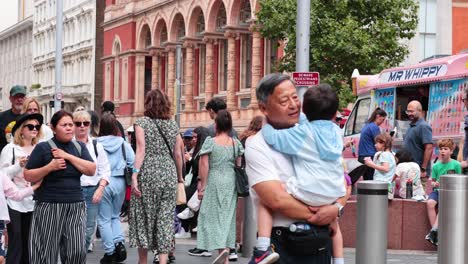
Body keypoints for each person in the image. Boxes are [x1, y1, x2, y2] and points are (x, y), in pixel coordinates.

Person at [245, 73, 348, 264]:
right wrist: (324, 215)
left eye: (295, 97)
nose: (293, 105)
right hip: (282, 246)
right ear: (263, 108)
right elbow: (276, 199)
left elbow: (341, 180)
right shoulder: (257, 144)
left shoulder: (317, 131)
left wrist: (337, 208)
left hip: (319, 243)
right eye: (284, 101)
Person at [24, 110, 96, 263]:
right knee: (45, 253)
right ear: (54, 128)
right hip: (49, 206)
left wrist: (68, 156)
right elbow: (28, 175)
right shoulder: (43, 148)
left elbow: (91, 169)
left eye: (71, 125)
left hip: (75, 204)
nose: (69, 128)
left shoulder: (79, 147)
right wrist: (49, 167)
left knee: (76, 251)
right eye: (64, 125)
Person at [129, 89, 184, 264]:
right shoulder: (172, 125)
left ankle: (143, 261)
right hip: (168, 173)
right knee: (165, 219)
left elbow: (141, 149)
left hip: (148, 172)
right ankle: (163, 261)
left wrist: (135, 175)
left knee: (144, 217)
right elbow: (177, 154)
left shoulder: (141, 123)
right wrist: (180, 177)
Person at [195, 109, 243, 264]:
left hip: (215, 179)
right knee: (227, 217)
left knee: (212, 217)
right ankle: (226, 252)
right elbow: (238, 164)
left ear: (217, 124)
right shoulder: (236, 143)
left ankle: (222, 251)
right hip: (230, 181)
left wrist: (202, 185)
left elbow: (204, 164)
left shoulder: (210, 141)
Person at [0, 113, 43, 264]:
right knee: (16, 239)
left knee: (29, 241)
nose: (34, 129)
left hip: (33, 199)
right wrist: (19, 165)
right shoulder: (10, 149)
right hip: (13, 200)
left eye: (37, 127)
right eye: (30, 126)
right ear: (21, 130)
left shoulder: (40, 148)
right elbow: (2, 175)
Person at [97, 114, 134, 263]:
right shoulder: (123, 143)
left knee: (104, 219)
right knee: (115, 216)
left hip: (103, 182)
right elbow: (132, 162)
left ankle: (110, 251)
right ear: (115, 127)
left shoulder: (96, 143)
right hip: (120, 182)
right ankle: (119, 242)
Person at [73, 111, 111, 252]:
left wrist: (100, 188)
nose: (82, 126)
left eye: (86, 123)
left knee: (89, 228)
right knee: (73, 226)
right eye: (78, 123)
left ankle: (81, 251)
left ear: (89, 125)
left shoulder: (96, 145)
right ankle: (75, 254)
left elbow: (105, 170)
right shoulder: (67, 145)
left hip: (92, 190)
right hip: (73, 190)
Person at [425, 138, 461, 246]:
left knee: (444, 205)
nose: (443, 151)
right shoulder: (436, 165)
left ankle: (433, 233)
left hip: (450, 192)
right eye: (441, 149)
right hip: (437, 191)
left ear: (451, 151)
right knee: (430, 203)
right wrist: (434, 184)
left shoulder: (456, 165)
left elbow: (459, 180)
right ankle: (435, 231)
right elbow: (433, 181)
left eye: (445, 149)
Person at [0, 172, 41, 264]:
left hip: (1, 220)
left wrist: (35, 187)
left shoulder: (1, 175)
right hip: (11, 209)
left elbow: (16, 194)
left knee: (1, 258)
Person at [351, 108, 387, 182]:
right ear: (378, 116)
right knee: (371, 180)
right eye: (382, 120)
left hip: (362, 156)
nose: (382, 122)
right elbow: (379, 142)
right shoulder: (374, 127)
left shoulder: (367, 125)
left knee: (366, 180)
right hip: (370, 156)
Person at [404, 100, 433, 183]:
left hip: (419, 172)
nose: (409, 114)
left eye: (411, 111)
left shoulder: (423, 126)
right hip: (410, 170)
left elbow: (429, 148)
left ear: (420, 111)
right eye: (408, 111)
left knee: (418, 195)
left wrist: (423, 169)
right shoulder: (411, 126)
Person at [364, 133, 397, 199]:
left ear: (383, 143)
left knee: (378, 205)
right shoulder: (392, 154)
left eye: (377, 143)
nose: (375, 145)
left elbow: (386, 168)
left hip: (381, 184)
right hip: (389, 185)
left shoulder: (384, 154)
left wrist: (371, 165)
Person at [0, 85, 27, 152]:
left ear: (25, 99)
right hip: (4, 157)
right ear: (10, 98)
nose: (19, 99)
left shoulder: (30, 118)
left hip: (23, 156)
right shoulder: (1, 117)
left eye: (22, 97)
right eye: (16, 96)